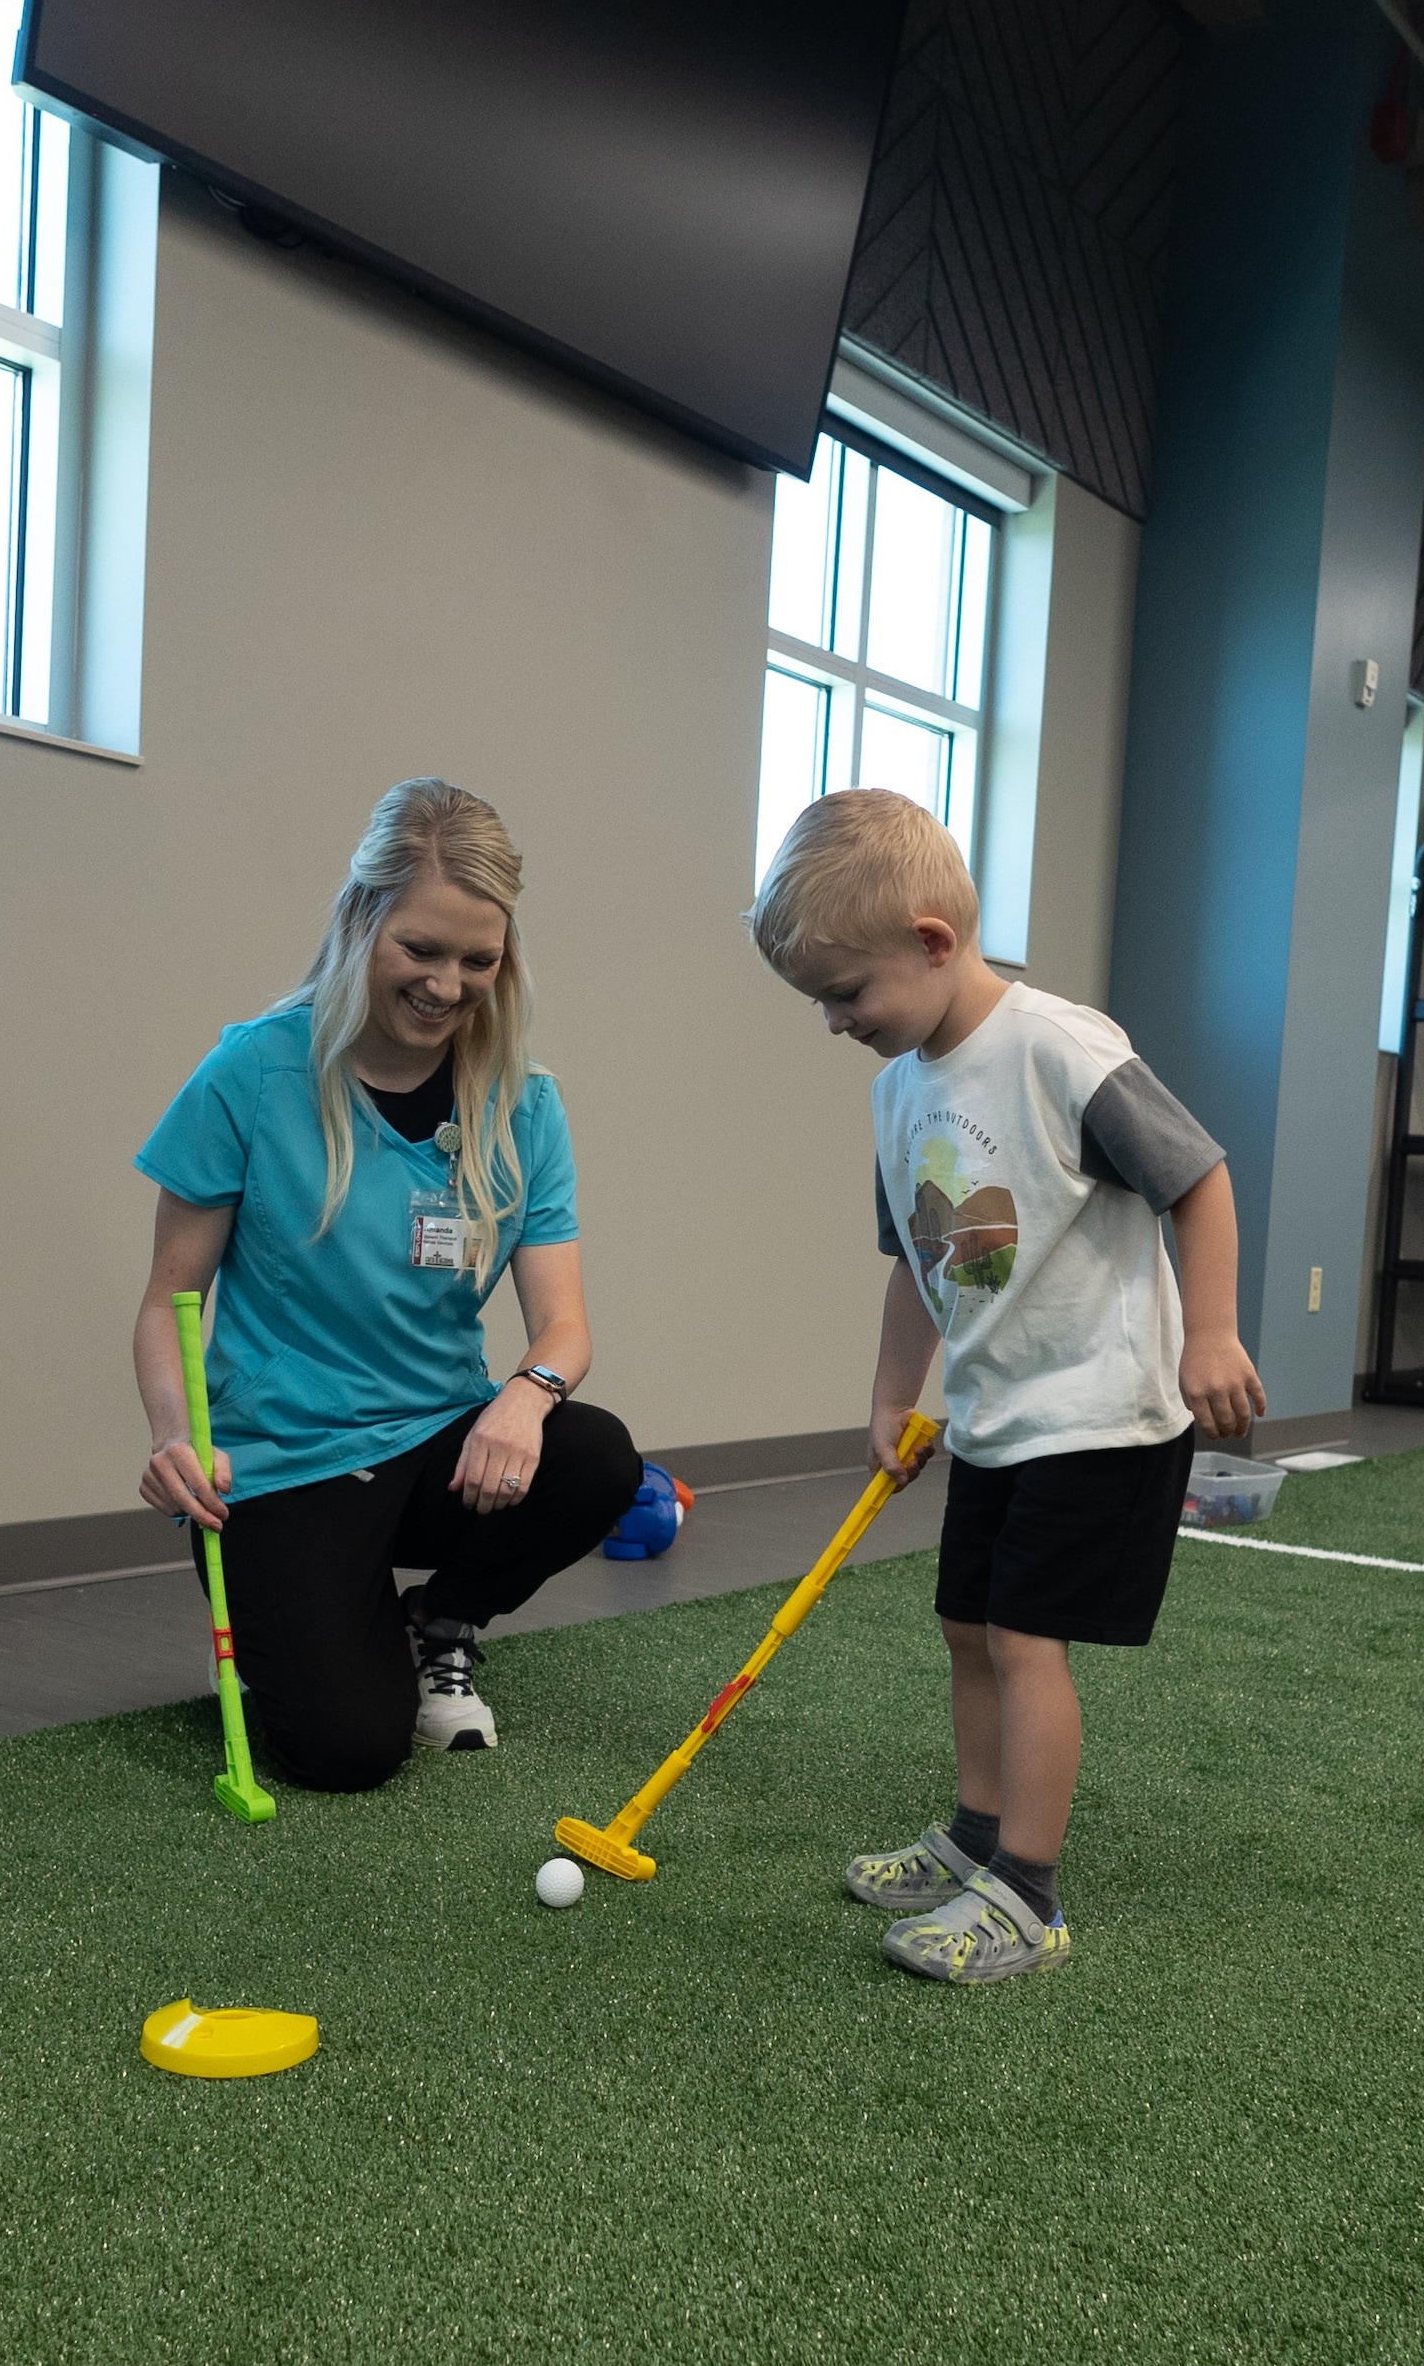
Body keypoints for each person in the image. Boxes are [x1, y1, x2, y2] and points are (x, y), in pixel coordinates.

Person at [745, 787, 1262, 1984]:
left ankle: (1025, 1894)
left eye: (845, 993)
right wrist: (890, 1397)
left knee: (1027, 1640)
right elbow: (912, 1262)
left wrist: (1213, 1334)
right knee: (965, 1629)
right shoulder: (897, 1092)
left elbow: (1199, 1179)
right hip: (991, 1417)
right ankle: (976, 1840)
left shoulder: (1060, 1049)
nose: (832, 1023)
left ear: (931, 941)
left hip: (1101, 1413)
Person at [133, 779, 645, 1793]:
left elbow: (564, 1326)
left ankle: (436, 1622)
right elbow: (166, 1302)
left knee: (594, 1456)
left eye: (477, 960)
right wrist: (170, 1436)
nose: (448, 985)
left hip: (433, 1446)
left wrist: (524, 1396)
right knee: (345, 1752)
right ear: (360, 918)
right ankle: (289, 1627)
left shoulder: (524, 1104)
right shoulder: (249, 1073)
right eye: (420, 949)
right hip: (284, 1462)